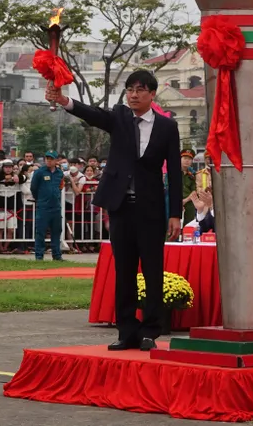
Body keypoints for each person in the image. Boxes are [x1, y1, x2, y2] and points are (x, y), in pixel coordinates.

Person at [48, 69, 181, 352]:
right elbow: (93, 114)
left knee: (153, 271)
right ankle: (126, 330)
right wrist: (63, 100)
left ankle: (150, 330)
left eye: (140, 90)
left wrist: (175, 214)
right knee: (124, 271)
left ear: (152, 94)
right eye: (130, 89)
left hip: (151, 209)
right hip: (121, 208)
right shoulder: (120, 117)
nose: (133, 95)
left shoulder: (167, 127)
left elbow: (176, 172)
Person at [30, 151, 65, 261]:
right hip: (43, 206)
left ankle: (57, 255)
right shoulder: (39, 172)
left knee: (56, 231)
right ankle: (39, 256)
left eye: (51, 159)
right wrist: (40, 199)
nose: (49, 161)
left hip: (56, 207)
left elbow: (60, 186)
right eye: (47, 158)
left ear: (56, 161)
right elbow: (33, 188)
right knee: (40, 231)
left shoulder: (60, 173)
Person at [180, 150, 196, 224]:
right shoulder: (172, 172)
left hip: (189, 203)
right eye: (185, 158)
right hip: (174, 203)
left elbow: (195, 190)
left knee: (189, 227)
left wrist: (185, 200)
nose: (187, 161)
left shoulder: (193, 175)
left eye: (189, 159)